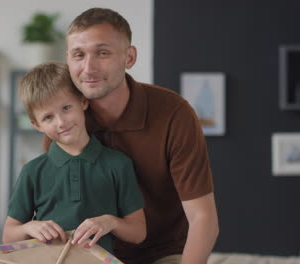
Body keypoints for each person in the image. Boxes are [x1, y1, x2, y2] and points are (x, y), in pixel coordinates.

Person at [60, 7, 219, 264]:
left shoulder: (174, 114)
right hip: (90, 253)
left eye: (102, 53)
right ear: (67, 60)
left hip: (163, 253)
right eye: (78, 55)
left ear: (129, 57)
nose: (88, 68)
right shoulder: (63, 119)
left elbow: (203, 218)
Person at [2, 62, 146, 254]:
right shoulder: (32, 171)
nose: (61, 122)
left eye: (66, 108)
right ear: (37, 125)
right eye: (48, 117)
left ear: (83, 102)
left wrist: (110, 222)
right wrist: (28, 228)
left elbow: (138, 233)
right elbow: (8, 236)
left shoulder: (118, 164)